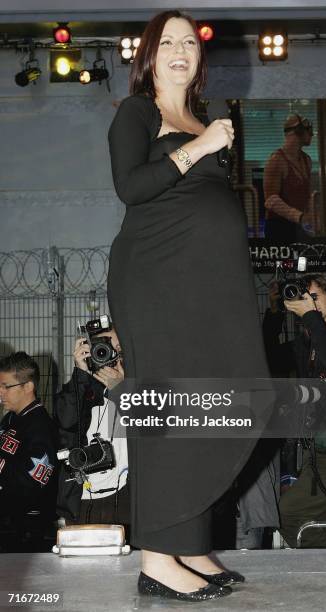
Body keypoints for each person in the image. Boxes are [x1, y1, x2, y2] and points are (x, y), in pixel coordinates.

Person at [107, 10, 272, 601]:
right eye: (167, 41)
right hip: (156, 281)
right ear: (148, 55)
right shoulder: (138, 112)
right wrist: (200, 145)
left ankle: (189, 541)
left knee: (220, 399)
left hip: (204, 290)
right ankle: (157, 557)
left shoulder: (201, 117)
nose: (180, 49)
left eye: (189, 42)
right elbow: (130, 187)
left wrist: (204, 136)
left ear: (199, 58)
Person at [263, 274, 326, 547]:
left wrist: (310, 318)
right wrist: (273, 313)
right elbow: (265, 356)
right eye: (304, 299)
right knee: (319, 523)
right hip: (316, 448)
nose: (310, 304)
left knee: (286, 512)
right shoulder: (305, 341)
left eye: (315, 297)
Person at [54, 324, 129, 529]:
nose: (110, 355)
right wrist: (80, 373)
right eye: (102, 347)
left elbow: (149, 429)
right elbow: (66, 421)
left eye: (118, 350)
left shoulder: (137, 392)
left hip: (124, 501)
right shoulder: (82, 389)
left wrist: (122, 389)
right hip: (81, 500)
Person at [0, 352, 58, 547]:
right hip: (10, 524)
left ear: (28, 387)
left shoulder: (40, 425)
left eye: (6, 386)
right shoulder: (10, 419)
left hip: (28, 530)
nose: (1, 392)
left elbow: (34, 479)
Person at [264, 114, 317, 242]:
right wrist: (299, 216)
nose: (312, 134)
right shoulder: (277, 160)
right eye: (308, 130)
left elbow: (306, 194)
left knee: (303, 261)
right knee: (284, 262)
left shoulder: (306, 160)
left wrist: (311, 215)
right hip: (279, 227)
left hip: (299, 225)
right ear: (298, 131)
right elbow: (270, 200)